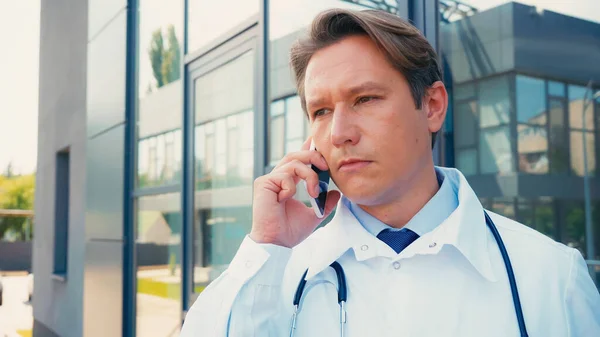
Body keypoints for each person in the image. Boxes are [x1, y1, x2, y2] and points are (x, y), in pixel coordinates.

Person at [180, 8, 600, 337]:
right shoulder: (276, 269)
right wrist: (267, 247)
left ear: (432, 106)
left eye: (365, 99)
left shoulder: (550, 276)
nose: (339, 133)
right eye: (321, 111)